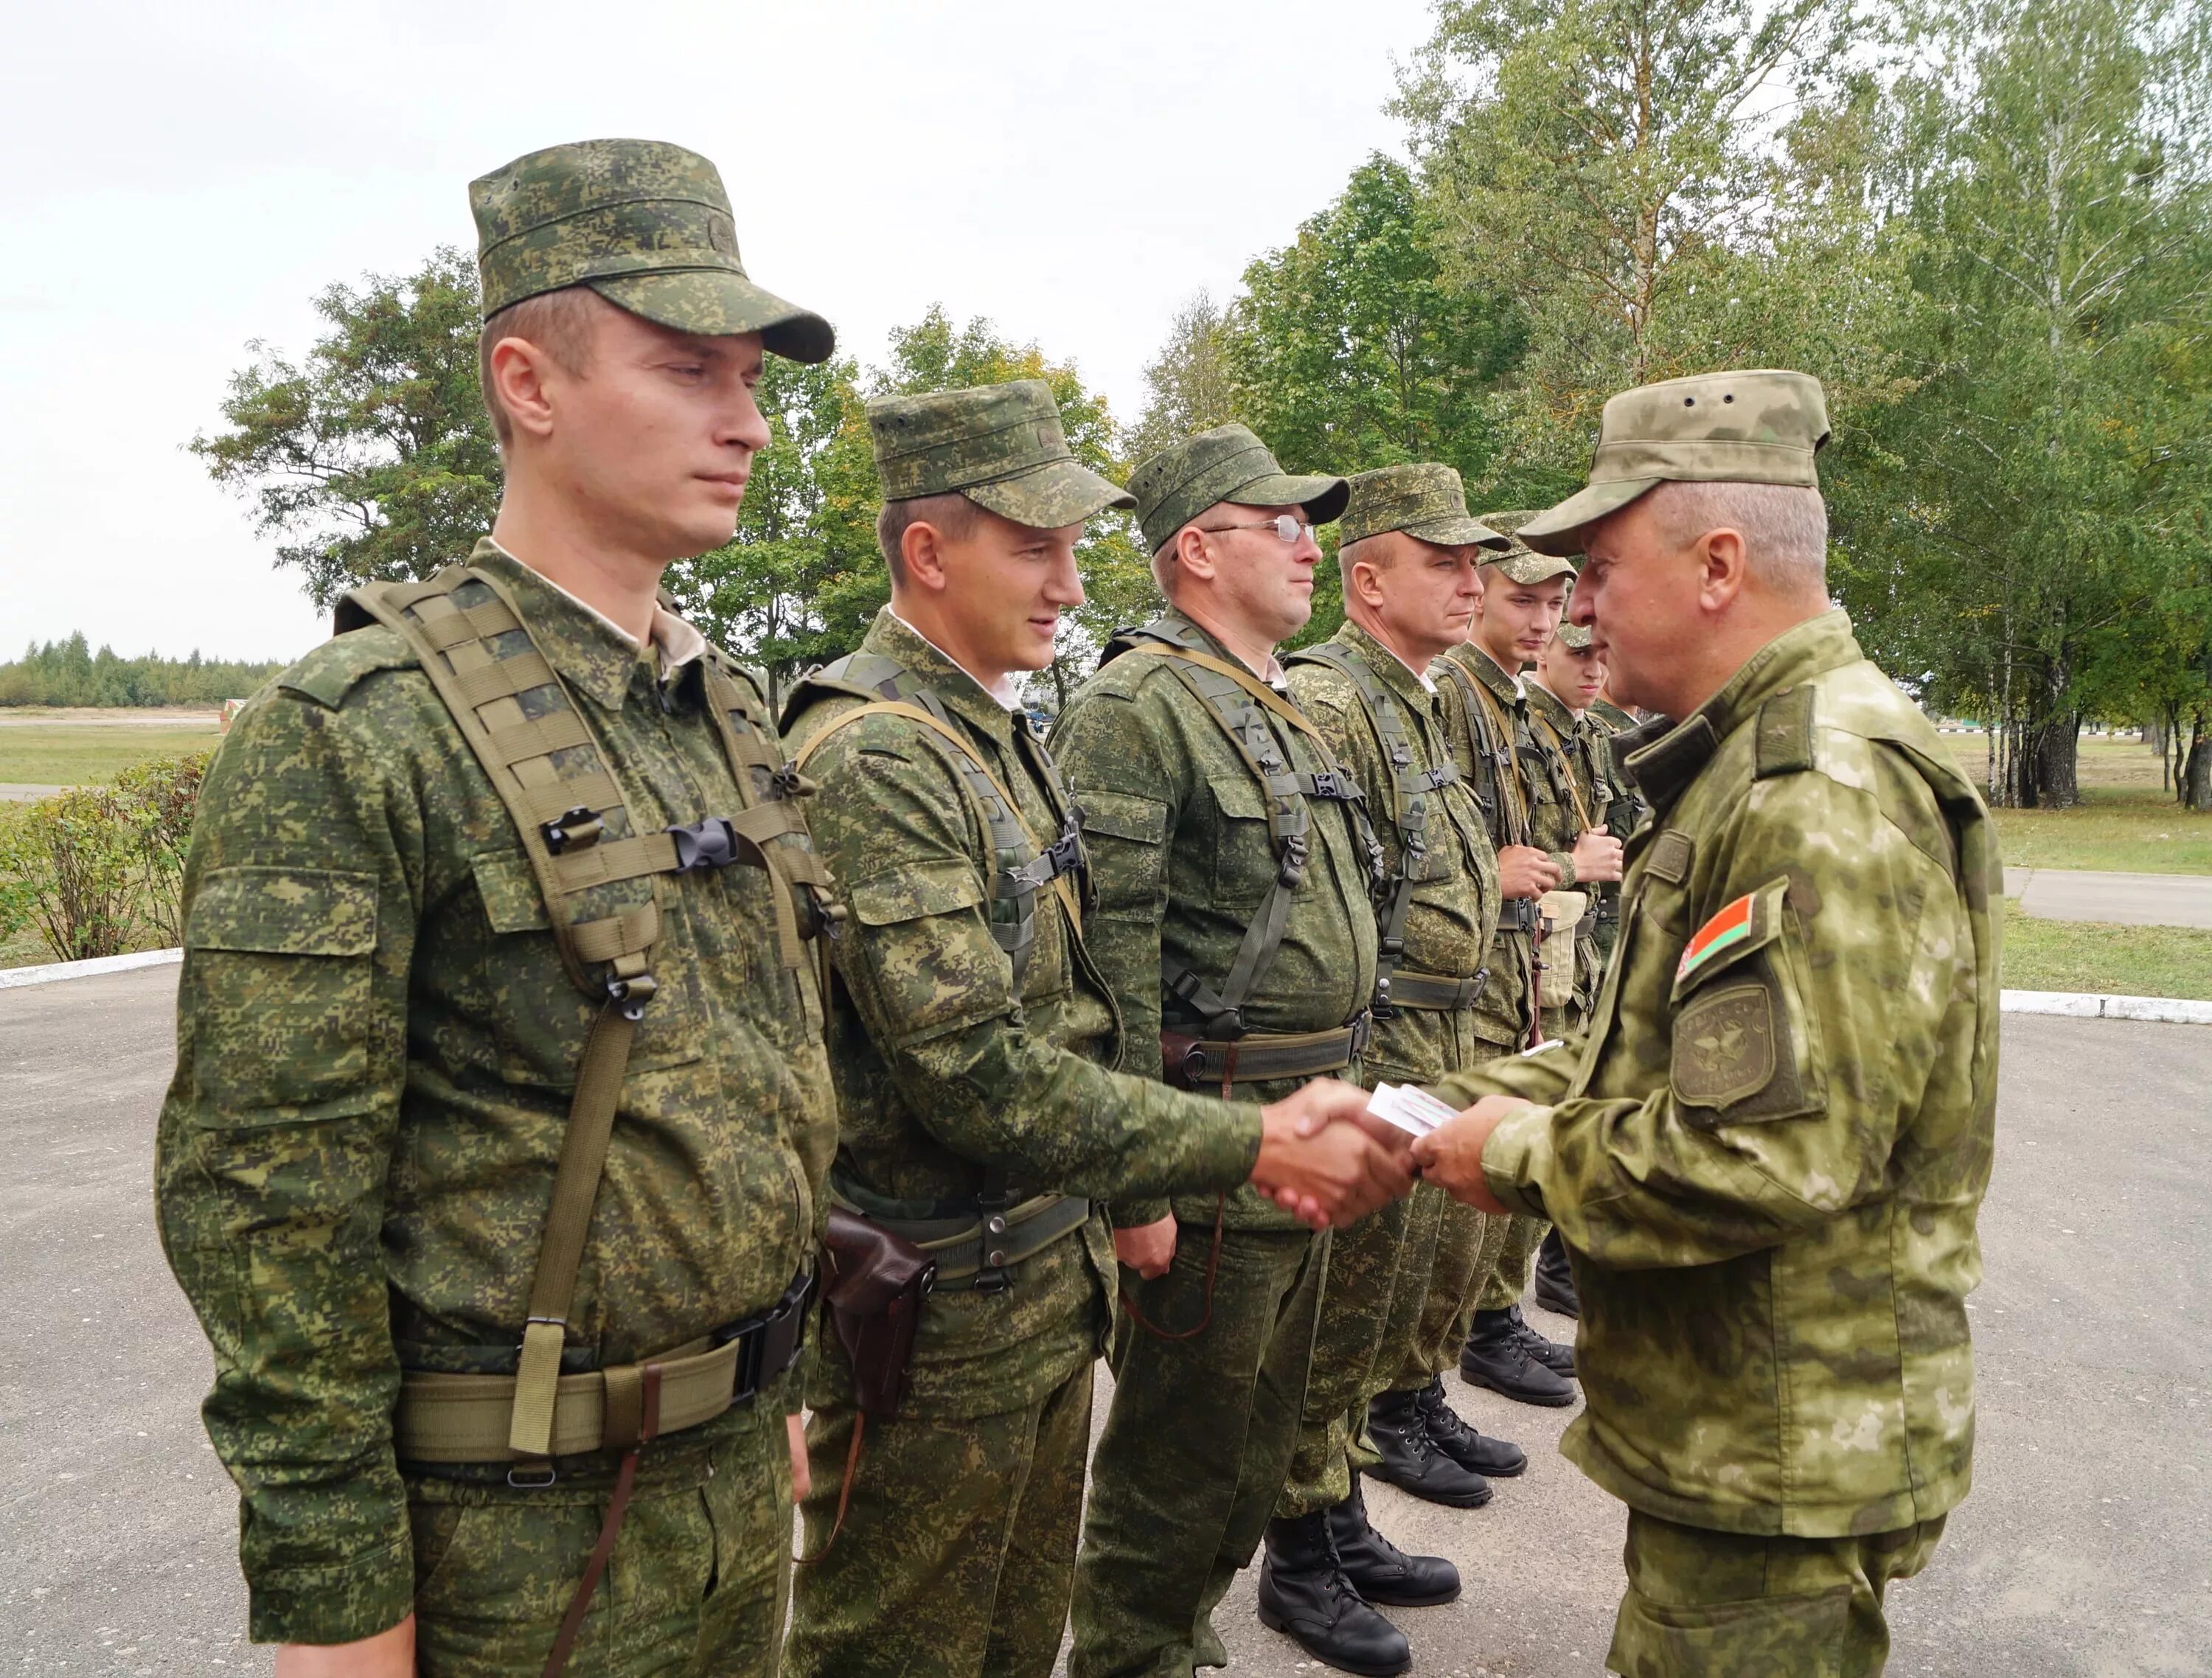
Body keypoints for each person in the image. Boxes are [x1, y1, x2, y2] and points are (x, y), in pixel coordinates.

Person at [156, 138, 848, 1677]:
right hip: (513, 1547)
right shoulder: (360, 728)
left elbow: (759, 1084)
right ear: (529, 383)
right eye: (688, 370)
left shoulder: (725, 710)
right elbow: (269, 1207)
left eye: (751, 378)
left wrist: (773, 1386)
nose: (745, 424)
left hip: (730, 1478)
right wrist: (337, 1602)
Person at [779, 383, 1408, 1678]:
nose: (1072, 582)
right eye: (1036, 547)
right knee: (898, 1650)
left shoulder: (987, 738)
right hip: (943, 1308)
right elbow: (977, 1071)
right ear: (929, 552)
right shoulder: (879, 754)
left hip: (1035, 1284)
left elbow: (1085, 1002)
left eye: (1076, 546)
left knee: (1012, 1636)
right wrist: (1236, 1147)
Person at [1413, 369, 2000, 1678]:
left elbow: (1770, 1155)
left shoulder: (1816, 788)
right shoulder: (1745, 760)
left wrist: (1510, 1157)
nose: (1577, 608)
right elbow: (1671, 1047)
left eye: (1602, 568)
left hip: (1783, 1447)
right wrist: (1437, 1108)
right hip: (1745, 1428)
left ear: (1719, 562)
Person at [1054, 425, 1394, 1678]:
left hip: (1301, 1135)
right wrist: (1136, 1192)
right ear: (1196, 550)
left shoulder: (1274, 701)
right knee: (1175, 1463)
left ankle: (1179, 1637)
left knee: (1254, 1453)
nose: (1313, 545)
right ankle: (1135, 1653)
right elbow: (1116, 968)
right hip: (1211, 1156)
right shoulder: (1136, 708)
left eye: (1313, 522)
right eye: (1282, 523)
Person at [1266, 462, 1528, 1674]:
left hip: (1430, 1044)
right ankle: (1299, 1557)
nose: (1474, 580)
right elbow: (1325, 907)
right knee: (1330, 1324)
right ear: (1368, 581)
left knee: (1379, 1307)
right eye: (1447, 560)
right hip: (1371, 1047)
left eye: (1477, 560)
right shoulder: (1331, 701)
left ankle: (1337, 1514)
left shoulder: (1416, 700)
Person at [1433, 517, 1624, 1406]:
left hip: (1534, 968)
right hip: (1477, 974)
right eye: (1526, 600)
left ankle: (1489, 1320)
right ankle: (1430, 1377)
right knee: (1457, 1196)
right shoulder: (1454, 696)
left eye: (1556, 603)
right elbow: (1455, 844)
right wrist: (1544, 863)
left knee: (1516, 1157)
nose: (1550, 624)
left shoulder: (1506, 703)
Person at [1526, 621, 1646, 1317]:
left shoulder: (1589, 735)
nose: (1596, 665)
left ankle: (1558, 1267)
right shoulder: (1528, 727)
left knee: (1581, 1109)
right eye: (1579, 652)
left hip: (1590, 945)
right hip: (1549, 952)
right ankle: (1514, 1306)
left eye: (1604, 650)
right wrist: (1574, 864)